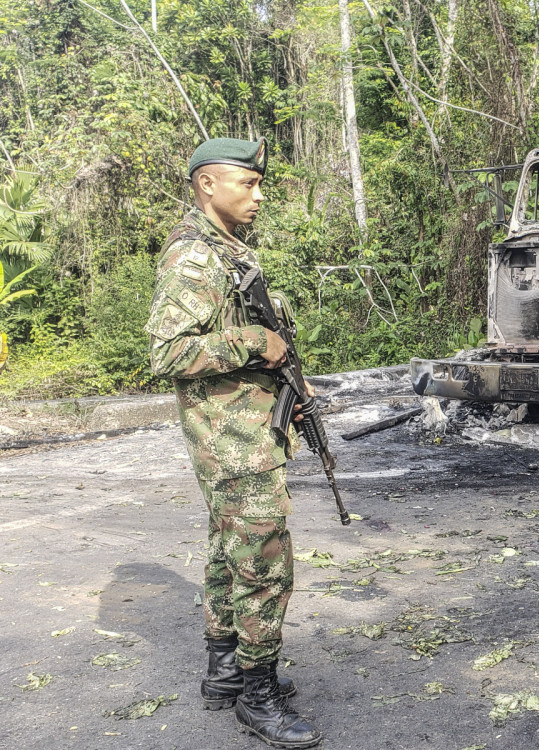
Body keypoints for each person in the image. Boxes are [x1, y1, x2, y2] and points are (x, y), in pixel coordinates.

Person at [144, 138, 322, 748]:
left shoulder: (226, 250)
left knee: (229, 549)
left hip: (239, 430)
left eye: (257, 183)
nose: (258, 194)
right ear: (206, 185)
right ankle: (257, 691)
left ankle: (225, 672)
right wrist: (253, 344)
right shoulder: (195, 257)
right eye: (245, 183)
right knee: (264, 560)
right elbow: (168, 351)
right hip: (230, 437)